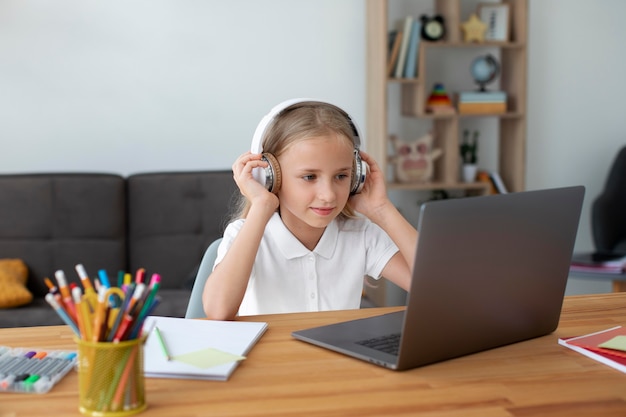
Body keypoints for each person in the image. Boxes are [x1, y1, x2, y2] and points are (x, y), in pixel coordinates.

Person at [202, 99, 417, 320]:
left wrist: (382, 209)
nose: (329, 195)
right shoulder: (244, 233)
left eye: (341, 176)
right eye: (309, 177)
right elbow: (218, 310)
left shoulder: (362, 236)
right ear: (271, 177)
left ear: (356, 178)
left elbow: (439, 288)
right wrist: (261, 206)